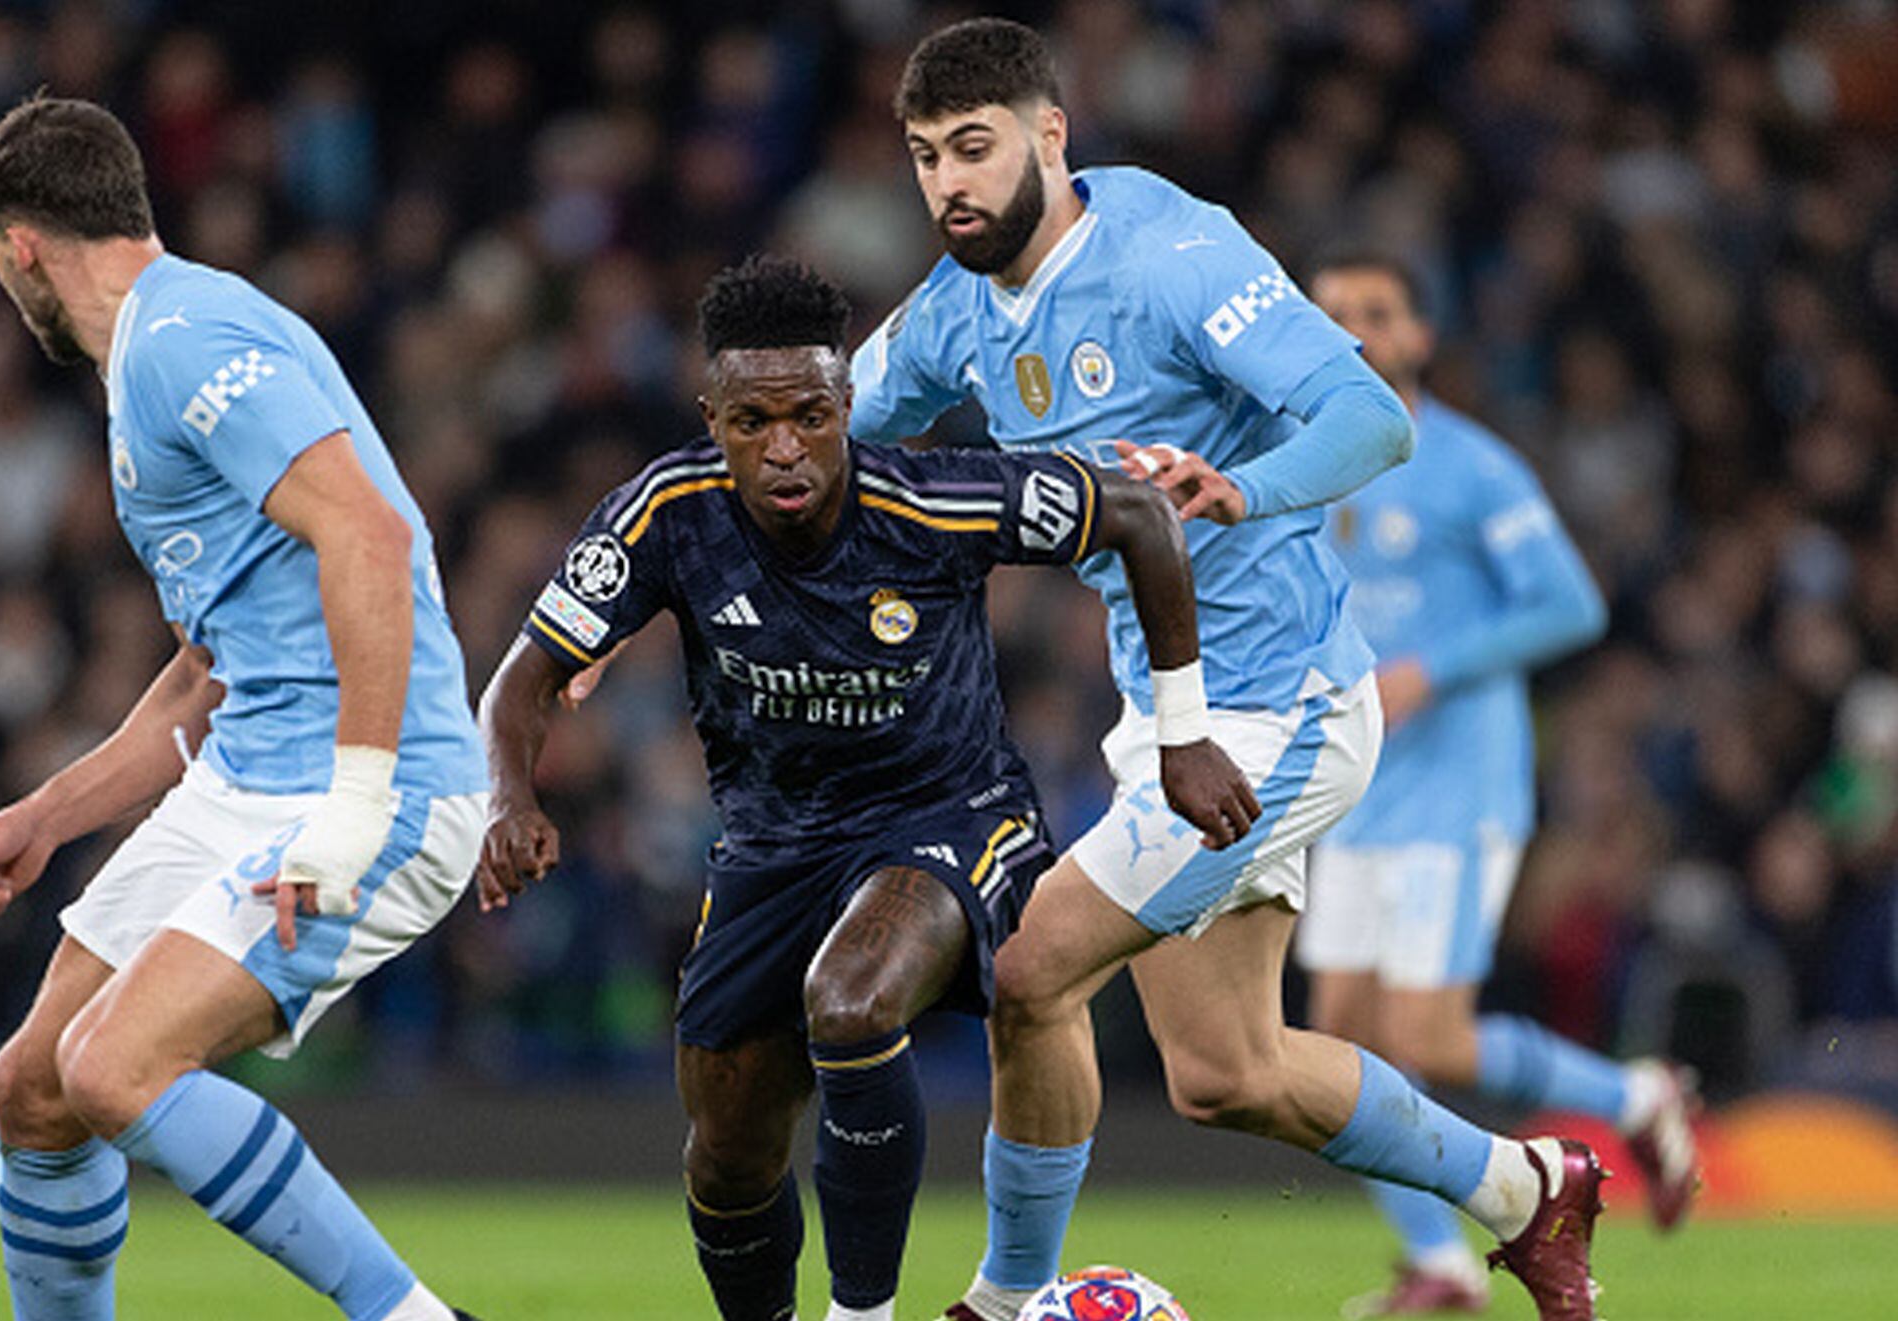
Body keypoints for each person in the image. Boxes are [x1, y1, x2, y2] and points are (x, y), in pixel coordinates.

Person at [851, 20, 1606, 1321]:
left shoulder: (1172, 255)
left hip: (1290, 710)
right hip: (1173, 717)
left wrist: (1236, 492)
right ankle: (1524, 1185)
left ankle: (1002, 1299)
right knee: (1227, 1070)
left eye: (972, 149)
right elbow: (827, 440)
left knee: (1033, 968)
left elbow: (1373, 417)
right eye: (924, 159)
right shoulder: (954, 311)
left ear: (1049, 135)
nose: (949, 185)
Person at [477, 254, 1256, 1321]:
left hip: (949, 818)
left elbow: (1141, 517)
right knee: (728, 1158)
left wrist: (1183, 735)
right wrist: (508, 801)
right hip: (770, 844)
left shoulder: (937, 499)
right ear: (713, 419)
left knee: (850, 1001)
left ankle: (862, 1314)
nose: (785, 447)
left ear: (848, 405)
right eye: (754, 421)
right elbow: (523, 678)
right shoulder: (667, 511)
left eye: (809, 414)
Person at [0, 96, 485, 1321]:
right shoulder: (152, 356)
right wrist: (44, 816)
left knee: (115, 1065)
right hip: (243, 775)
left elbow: (372, 537)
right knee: (34, 1087)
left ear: (20, 246)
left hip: (369, 788)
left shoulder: (184, 335)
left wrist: (353, 798)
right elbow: (205, 668)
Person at [1297, 252, 1698, 1315]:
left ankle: (1636, 1093)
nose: (1349, 330)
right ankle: (1435, 1260)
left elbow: (1572, 605)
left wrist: (1435, 667)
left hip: (1455, 788)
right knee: (1335, 1038)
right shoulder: (1306, 465)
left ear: (1422, 336)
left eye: (1374, 312)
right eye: (1328, 313)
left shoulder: (1470, 467)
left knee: (1424, 1035)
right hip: (1353, 787)